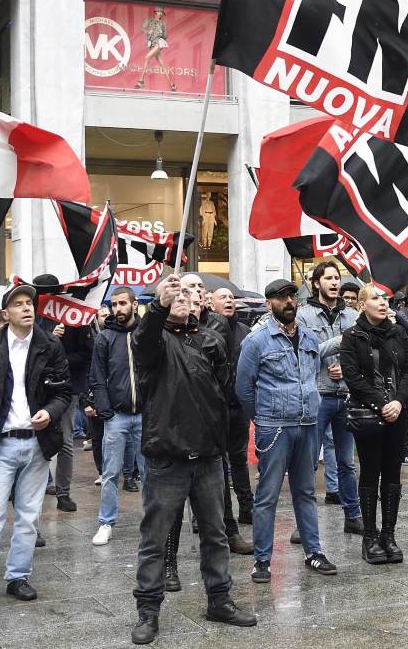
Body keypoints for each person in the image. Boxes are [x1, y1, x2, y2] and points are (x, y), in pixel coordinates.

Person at [129, 274, 256, 644]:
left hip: (208, 455)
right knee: (154, 538)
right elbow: (144, 340)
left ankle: (219, 598)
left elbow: (223, 389)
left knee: (215, 534)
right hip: (168, 456)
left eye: (190, 294)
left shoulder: (210, 338)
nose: (185, 298)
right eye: (177, 294)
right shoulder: (153, 339)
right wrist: (157, 307)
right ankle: (148, 611)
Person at [0, 284, 72, 614]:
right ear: (6, 313)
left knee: (27, 519)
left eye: (29, 303)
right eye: (18, 304)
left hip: (37, 445)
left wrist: (50, 412)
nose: (27, 308)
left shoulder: (50, 345)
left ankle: (17, 577)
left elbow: (64, 392)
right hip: (1, 445)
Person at [238, 278, 339, 583]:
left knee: (306, 492)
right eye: (281, 298)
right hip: (275, 428)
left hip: (308, 424)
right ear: (269, 304)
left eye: (292, 296)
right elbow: (244, 388)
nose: (289, 302)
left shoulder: (308, 337)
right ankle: (262, 559)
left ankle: (314, 552)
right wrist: (265, 417)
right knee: (267, 496)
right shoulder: (256, 341)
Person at [338, 284, 408, 564]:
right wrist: (381, 404)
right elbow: (353, 376)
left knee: (393, 475)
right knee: (370, 472)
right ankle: (370, 537)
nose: (383, 303)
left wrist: (398, 400)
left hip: (397, 412)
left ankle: (389, 535)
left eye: (384, 298)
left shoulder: (397, 333)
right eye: (375, 298)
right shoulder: (352, 336)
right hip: (369, 415)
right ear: (361, 305)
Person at [296, 262, 362, 536]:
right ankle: (304, 523)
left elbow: (363, 354)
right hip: (317, 395)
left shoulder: (352, 316)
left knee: (347, 461)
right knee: (308, 462)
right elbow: (304, 353)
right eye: (329, 278)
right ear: (316, 283)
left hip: (345, 396)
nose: (335, 282)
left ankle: (353, 515)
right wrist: (337, 343)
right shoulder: (303, 315)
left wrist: (346, 368)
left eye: (337, 278)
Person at [33, 275, 93, 515]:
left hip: (66, 388)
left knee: (66, 442)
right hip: (37, 389)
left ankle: (63, 492)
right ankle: (39, 487)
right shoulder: (33, 317)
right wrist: (51, 340)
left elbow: (85, 354)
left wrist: (60, 355)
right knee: (37, 440)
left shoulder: (74, 316)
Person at [90, 287, 145, 547]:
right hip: (118, 416)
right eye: (114, 304)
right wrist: (106, 411)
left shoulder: (146, 332)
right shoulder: (105, 337)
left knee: (150, 472)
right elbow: (97, 377)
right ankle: (106, 522)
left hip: (146, 415)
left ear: (134, 305)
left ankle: (153, 520)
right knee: (111, 473)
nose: (117, 308)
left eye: (123, 303)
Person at [210, 286, 255, 530]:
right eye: (223, 297)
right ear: (211, 303)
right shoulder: (206, 330)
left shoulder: (244, 331)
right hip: (214, 408)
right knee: (217, 463)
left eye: (231, 298)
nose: (229, 300)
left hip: (238, 406)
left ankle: (247, 507)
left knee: (238, 459)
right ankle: (217, 514)